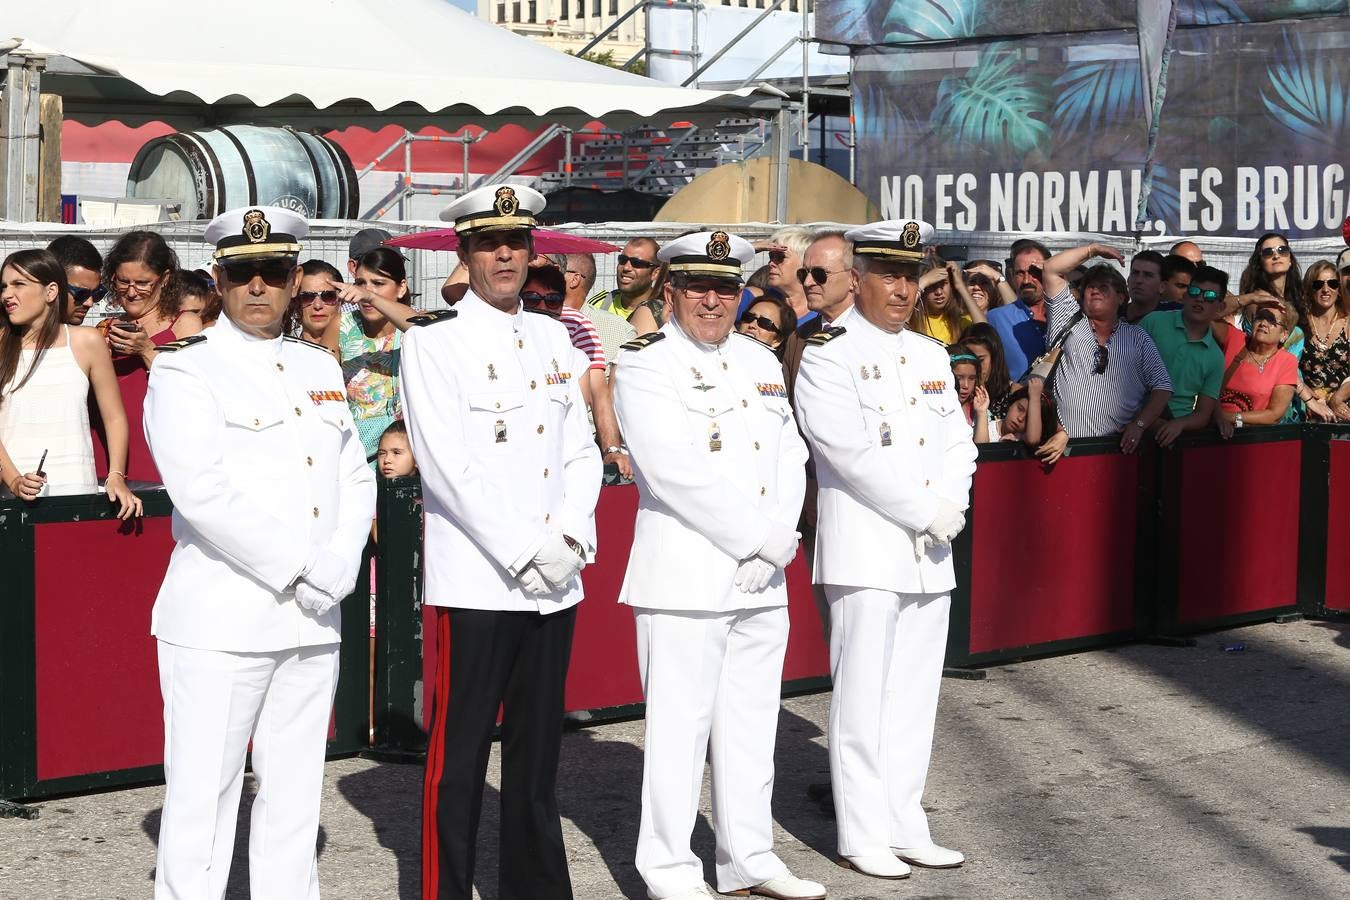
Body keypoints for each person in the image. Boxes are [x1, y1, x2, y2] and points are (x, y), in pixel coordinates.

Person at [142, 206, 376, 899]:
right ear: (218, 278)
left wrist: (341, 563)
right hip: (222, 618)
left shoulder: (316, 362)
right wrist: (307, 565)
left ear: (294, 277)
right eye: (242, 272)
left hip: (311, 617)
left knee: (297, 793)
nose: (257, 287)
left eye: (272, 272)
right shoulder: (188, 369)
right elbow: (201, 492)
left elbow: (353, 468)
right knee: (202, 799)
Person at [400, 184, 601, 900]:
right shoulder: (432, 341)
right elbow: (448, 466)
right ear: (464, 252)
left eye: (516, 241)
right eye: (489, 242)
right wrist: (526, 548)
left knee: (537, 761)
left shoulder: (554, 336)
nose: (506, 254)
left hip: (556, 583)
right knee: (455, 767)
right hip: (481, 582)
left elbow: (581, 448)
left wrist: (573, 535)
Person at [611, 230, 823, 900]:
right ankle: (670, 869)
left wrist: (779, 538)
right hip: (687, 576)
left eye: (725, 287)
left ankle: (748, 858)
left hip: (762, 577)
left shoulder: (759, 362)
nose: (712, 299)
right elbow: (674, 472)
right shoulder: (645, 362)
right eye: (698, 286)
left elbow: (790, 455)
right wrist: (762, 540)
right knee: (678, 733)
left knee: (752, 726)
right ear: (669, 290)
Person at [794, 219, 977, 880]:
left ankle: (906, 820)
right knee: (862, 700)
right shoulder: (826, 352)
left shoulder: (931, 355)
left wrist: (951, 505)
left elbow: (959, 442)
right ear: (860, 280)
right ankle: (861, 832)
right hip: (867, 551)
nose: (903, 289)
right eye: (889, 276)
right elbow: (848, 455)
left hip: (930, 556)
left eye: (910, 275)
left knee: (913, 699)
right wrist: (930, 511)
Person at [0, 249, 139, 517]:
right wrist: (15, 480)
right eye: (4, 286)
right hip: (12, 502)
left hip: (78, 491)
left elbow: (114, 418)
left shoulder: (87, 341)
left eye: (19, 284)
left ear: (51, 292)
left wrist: (116, 475)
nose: (7, 294)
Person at [1033, 243, 1171, 463]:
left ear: (1121, 297)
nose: (1096, 290)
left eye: (1104, 287)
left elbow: (1162, 387)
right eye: (1090, 287)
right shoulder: (1067, 320)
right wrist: (1093, 250)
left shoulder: (1138, 337)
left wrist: (1139, 425)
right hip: (1063, 449)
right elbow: (1051, 268)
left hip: (1117, 454)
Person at [93, 230, 204, 484]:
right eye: (123, 281)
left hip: (158, 462)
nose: (131, 292)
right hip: (106, 463)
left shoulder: (184, 323)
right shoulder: (104, 328)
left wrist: (146, 349)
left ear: (164, 279)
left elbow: (192, 392)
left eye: (143, 283)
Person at [333, 246, 418, 463]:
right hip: (356, 457)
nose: (365, 291)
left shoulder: (413, 329)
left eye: (378, 283)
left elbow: (421, 327)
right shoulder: (341, 328)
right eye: (360, 283)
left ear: (401, 288)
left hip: (407, 459)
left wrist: (371, 297)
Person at [562, 252, 633, 480]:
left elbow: (602, 392)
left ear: (574, 279)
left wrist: (611, 449)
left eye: (553, 270)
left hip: (583, 443)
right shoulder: (515, 315)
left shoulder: (591, 326)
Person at [1137, 267, 1226, 448]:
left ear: (1220, 307)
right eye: (1194, 291)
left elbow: (1202, 414)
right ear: (1185, 296)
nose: (1200, 299)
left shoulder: (1216, 357)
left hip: (1175, 434)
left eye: (1209, 296)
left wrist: (1179, 424)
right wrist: (1146, 421)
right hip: (1134, 417)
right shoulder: (1153, 321)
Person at [781, 231, 858, 404]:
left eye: (819, 274)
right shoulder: (799, 337)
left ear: (853, 278)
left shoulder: (878, 334)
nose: (808, 282)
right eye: (803, 274)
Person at [1212, 296, 1301, 430]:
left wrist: (1229, 417)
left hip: (1250, 436)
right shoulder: (1235, 338)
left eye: (1271, 321)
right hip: (1210, 428)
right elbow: (1209, 315)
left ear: (1284, 335)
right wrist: (1250, 298)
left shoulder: (1286, 361)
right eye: (1260, 317)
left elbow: (1274, 414)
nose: (1263, 323)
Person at [987, 238, 1051, 380]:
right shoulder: (996, 318)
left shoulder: (1065, 315)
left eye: (1035, 272)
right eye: (1020, 273)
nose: (1027, 280)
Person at [1298, 261, 1350, 417]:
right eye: (1318, 284)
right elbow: (1287, 368)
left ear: (1339, 289)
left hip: (1342, 407)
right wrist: (1310, 399)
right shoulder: (1299, 325)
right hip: (1307, 408)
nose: (1326, 290)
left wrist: (1336, 399)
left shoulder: (1348, 324)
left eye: (1332, 284)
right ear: (1309, 289)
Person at [285, 260, 345, 361]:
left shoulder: (358, 353)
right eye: (307, 297)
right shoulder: (285, 356)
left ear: (341, 299)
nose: (318, 306)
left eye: (328, 296)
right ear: (295, 302)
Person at [589, 236, 661, 320]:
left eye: (637, 263)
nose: (626, 268)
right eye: (623, 260)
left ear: (655, 273)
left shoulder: (666, 312)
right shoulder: (598, 305)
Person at [959, 322, 1017, 422]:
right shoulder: (957, 391)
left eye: (980, 360)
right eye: (969, 360)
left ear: (995, 358)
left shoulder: (1014, 393)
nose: (975, 367)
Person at [757, 226, 814, 324]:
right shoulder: (758, 299)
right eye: (771, 256)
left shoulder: (823, 312)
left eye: (780, 257)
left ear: (805, 262)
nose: (771, 263)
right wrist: (753, 247)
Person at [912, 261, 978, 344]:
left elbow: (985, 331)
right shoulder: (912, 319)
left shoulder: (959, 320)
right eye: (931, 285)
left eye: (943, 284)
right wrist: (922, 283)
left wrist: (960, 286)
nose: (939, 292)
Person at [47, 235, 105, 326]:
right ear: (52, 288)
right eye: (81, 294)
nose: (89, 303)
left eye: (97, 294)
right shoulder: (20, 336)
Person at [949, 345, 990, 443]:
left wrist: (981, 413)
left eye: (971, 378)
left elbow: (982, 450)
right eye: (959, 378)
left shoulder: (977, 411)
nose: (966, 385)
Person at [1123, 250, 1172, 323]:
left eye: (1148, 275)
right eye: (1135, 273)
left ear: (1162, 286)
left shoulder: (1172, 315)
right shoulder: (1113, 312)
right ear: (1128, 279)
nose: (1139, 280)